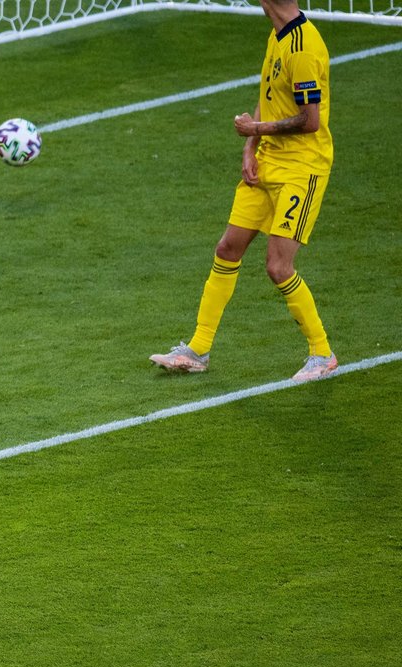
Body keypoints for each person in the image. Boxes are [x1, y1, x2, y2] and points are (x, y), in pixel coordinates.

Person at [151, 0, 336, 383]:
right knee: (227, 248)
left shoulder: (303, 47)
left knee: (278, 266)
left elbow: (310, 120)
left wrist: (255, 130)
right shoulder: (277, 34)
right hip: (267, 162)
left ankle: (322, 353)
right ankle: (198, 350)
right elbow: (268, 99)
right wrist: (250, 147)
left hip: (301, 169)